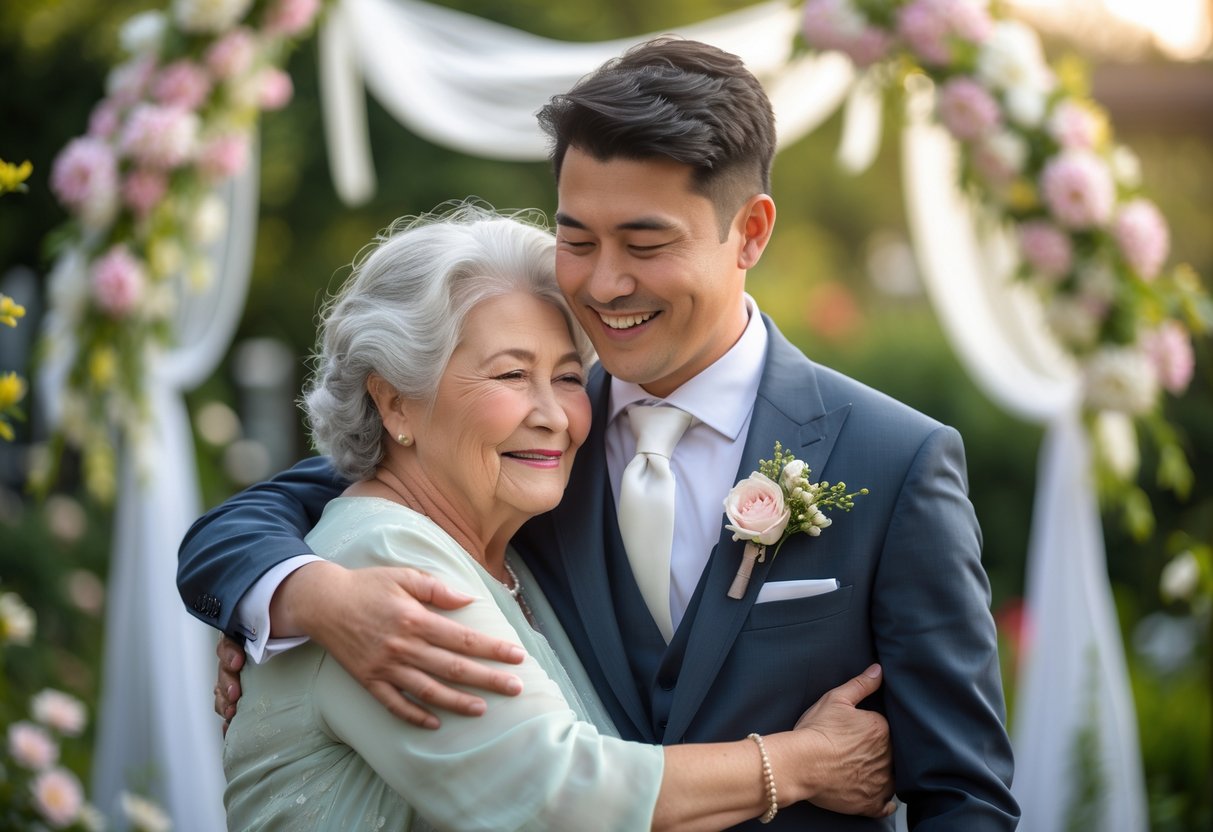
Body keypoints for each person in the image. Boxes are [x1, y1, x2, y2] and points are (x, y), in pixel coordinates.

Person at [181, 37, 1019, 829]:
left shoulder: (893, 459)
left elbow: (962, 794)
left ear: (750, 233)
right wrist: (301, 596)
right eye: (576, 239)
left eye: (645, 242)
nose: (606, 282)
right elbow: (284, 510)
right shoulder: (512, 451)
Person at [220, 202, 894, 829]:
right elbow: (556, 791)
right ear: (395, 404)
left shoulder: (509, 556)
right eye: (511, 376)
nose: (552, 415)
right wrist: (803, 763)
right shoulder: (384, 563)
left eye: (568, 377)